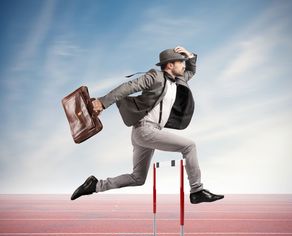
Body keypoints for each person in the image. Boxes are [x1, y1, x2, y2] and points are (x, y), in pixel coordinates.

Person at [71, 46, 224, 204]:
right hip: (145, 130)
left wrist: (189, 55)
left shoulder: (178, 80)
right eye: (180, 62)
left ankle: (95, 185)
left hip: (145, 133)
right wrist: (103, 102)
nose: (184, 65)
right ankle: (197, 190)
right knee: (189, 146)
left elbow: (191, 71)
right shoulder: (155, 77)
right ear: (170, 65)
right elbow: (129, 87)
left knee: (138, 178)